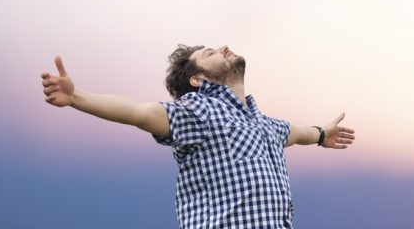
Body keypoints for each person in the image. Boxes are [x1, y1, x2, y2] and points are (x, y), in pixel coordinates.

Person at [40, 44, 355, 229]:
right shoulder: (197, 112)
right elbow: (138, 112)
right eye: (210, 52)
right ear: (197, 78)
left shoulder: (264, 123)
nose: (223, 48)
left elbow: (295, 132)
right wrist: (77, 97)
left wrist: (321, 134)